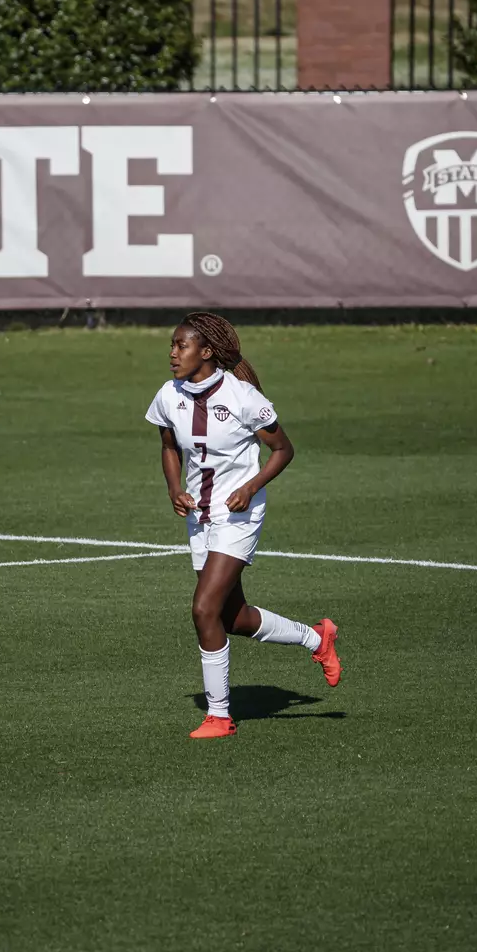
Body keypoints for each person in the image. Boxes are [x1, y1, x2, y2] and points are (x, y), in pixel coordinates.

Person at [144, 312, 341, 739]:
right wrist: (174, 488)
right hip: (199, 516)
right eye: (173, 345)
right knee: (231, 617)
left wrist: (251, 487)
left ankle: (219, 715)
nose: (172, 353)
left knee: (203, 610)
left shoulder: (243, 397)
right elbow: (167, 446)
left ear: (207, 351)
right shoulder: (168, 394)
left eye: (182, 345)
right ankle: (316, 638)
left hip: (238, 514)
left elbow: (284, 450)